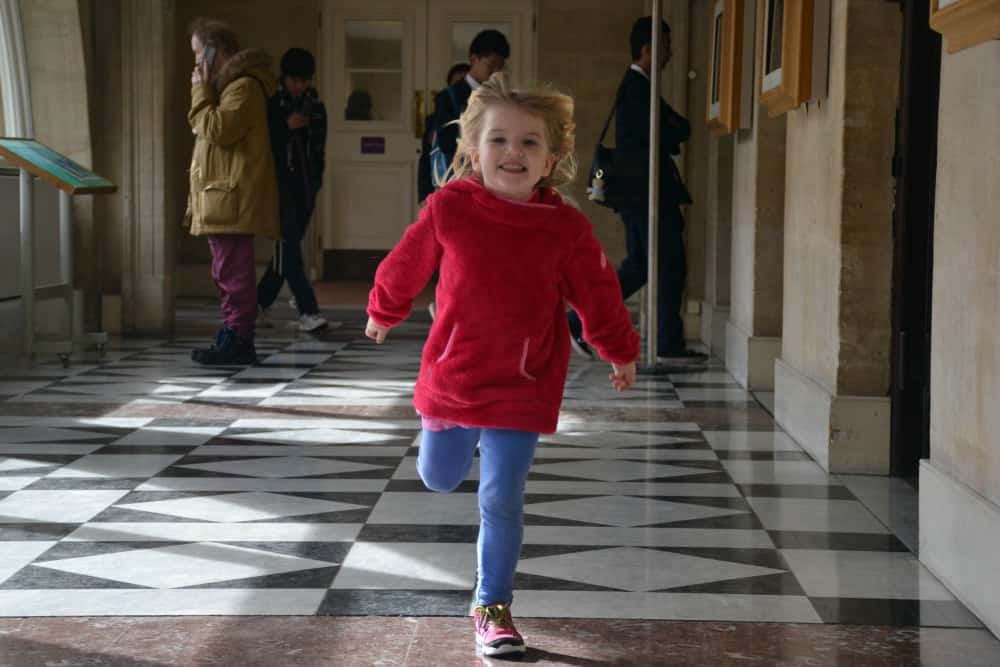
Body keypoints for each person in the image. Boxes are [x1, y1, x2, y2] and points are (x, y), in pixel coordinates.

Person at [365, 73, 639, 658]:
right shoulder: (449, 209)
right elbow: (407, 262)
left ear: (551, 159)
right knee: (439, 477)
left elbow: (598, 294)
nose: (513, 152)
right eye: (499, 140)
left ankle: (493, 606)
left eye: (529, 142)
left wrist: (619, 350)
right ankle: (442, 429)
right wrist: (384, 308)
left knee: (501, 498)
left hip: (525, 382)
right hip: (455, 376)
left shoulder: (564, 227)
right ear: (473, 149)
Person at [568, 16, 706, 364]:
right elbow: (670, 129)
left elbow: (676, 127)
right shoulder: (637, 87)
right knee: (668, 263)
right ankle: (666, 342)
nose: (671, 53)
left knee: (642, 265)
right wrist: (674, 128)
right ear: (648, 49)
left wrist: (674, 127)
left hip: (640, 193)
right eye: (666, 45)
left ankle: (580, 321)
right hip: (646, 193)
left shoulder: (639, 85)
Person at [185, 19, 278, 365]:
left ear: (215, 51)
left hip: (232, 199)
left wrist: (200, 91)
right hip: (223, 197)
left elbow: (217, 129)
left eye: (199, 53)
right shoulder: (228, 88)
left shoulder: (244, 88)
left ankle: (239, 339)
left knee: (233, 272)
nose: (196, 63)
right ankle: (233, 334)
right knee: (226, 271)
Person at [256, 48, 329, 333]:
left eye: (304, 80)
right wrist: (285, 127)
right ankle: (308, 309)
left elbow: (319, 151)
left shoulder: (316, 108)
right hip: (278, 185)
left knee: (285, 250)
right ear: (284, 78)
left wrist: (316, 182)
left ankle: (258, 303)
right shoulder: (273, 105)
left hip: (306, 186)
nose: (299, 86)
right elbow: (263, 142)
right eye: (294, 80)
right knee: (289, 249)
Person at [418, 63, 470, 203]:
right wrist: (423, 195)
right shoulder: (434, 121)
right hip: (442, 183)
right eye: (457, 83)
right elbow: (426, 158)